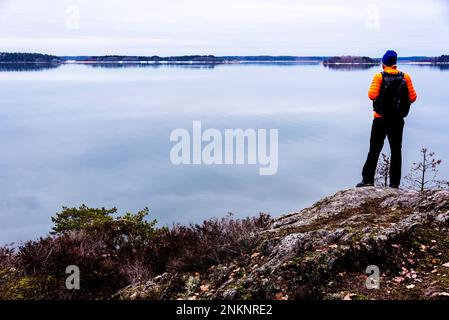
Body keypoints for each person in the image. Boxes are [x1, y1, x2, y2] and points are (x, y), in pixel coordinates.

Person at [357, 50, 417, 188]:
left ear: (383, 63)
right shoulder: (405, 77)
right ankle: (394, 184)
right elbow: (413, 97)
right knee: (396, 151)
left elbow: (372, 95)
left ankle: (368, 180)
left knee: (374, 149)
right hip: (397, 120)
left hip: (381, 119)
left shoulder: (379, 76)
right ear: (395, 63)